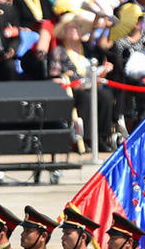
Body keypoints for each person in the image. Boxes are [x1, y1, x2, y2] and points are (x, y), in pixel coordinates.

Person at [48, 11, 114, 151]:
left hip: (90, 85)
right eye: (71, 28)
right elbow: (54, 76)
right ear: (64, 31)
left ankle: (102, 137)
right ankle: (86, 139)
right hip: (72, 90)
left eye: (77, 27)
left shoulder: (86, 50)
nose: (75, 31)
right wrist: (67, 81)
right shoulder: (59, 51)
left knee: (106, 95)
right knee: (86, 97)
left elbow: (98, 58)